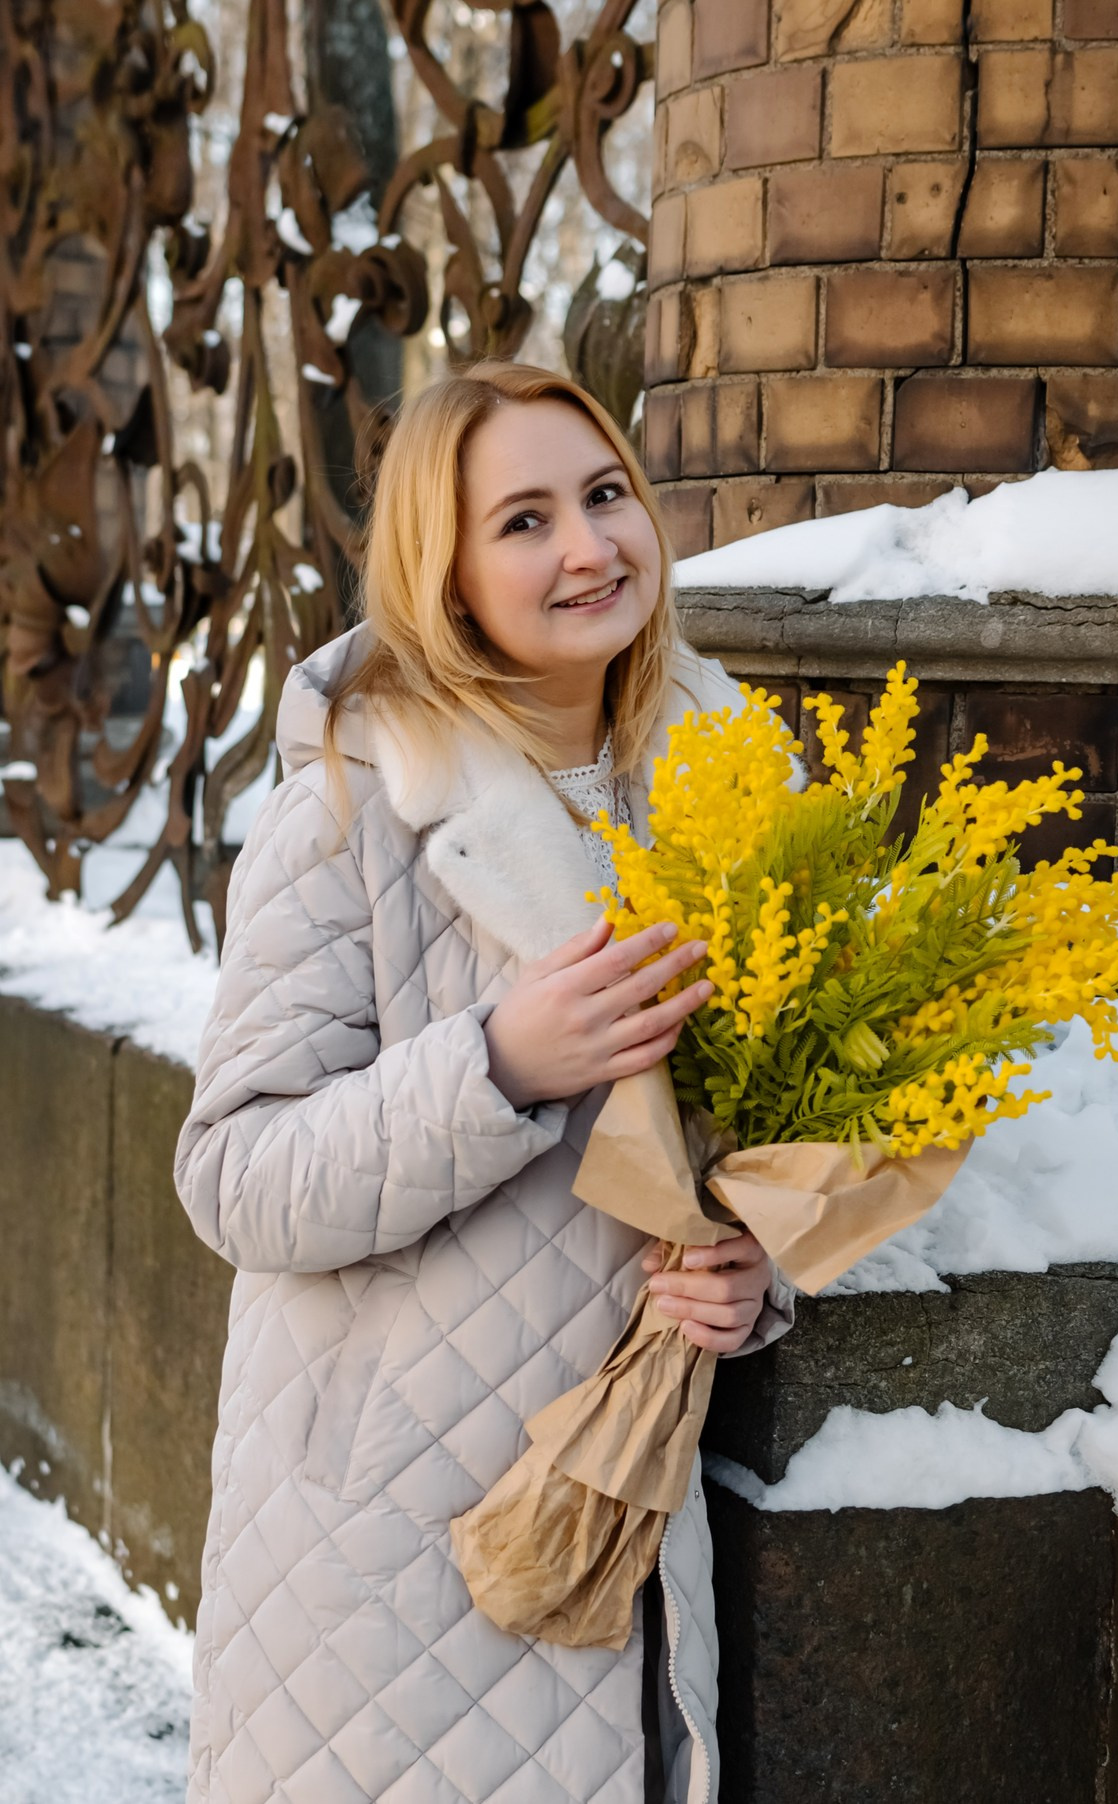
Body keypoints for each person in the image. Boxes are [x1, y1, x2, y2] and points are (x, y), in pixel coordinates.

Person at [174, 360, 795, 1804]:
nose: (587, 548)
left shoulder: (736, 786)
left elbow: (771, 1128)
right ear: (441, 574)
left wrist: (755, 1266)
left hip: (615, 1521)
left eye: (601, 496)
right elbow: (235, 1181)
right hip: (385, 1554)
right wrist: (498, 1067)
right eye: (520, 521)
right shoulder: (348, 805)